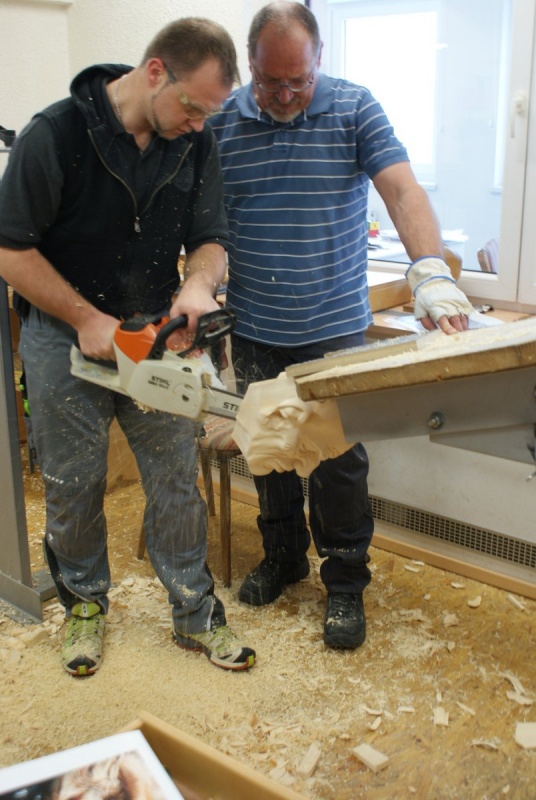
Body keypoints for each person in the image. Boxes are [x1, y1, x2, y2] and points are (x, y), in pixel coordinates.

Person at [210, 1, 473, 650]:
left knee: (337, 462)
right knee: (267, 447)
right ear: (250, 66)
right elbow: (203, 224)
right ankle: (283, 557)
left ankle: (346, 581)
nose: (286, 96)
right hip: (255, 324)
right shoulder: (221, 123)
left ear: (319, 60)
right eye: (271, 82)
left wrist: (429, 269)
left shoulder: (354, 107)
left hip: (332, 328)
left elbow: (402, 191)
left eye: (299, 81)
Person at [0, 18, 256, 675]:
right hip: (63, 334)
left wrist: (197, 285)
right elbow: (11, 251)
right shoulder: (56, 134)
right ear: (154, 73)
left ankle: (195, 611)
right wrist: (85, 317)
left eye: (209, 113)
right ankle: (85, 605)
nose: (199, 124)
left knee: (175, 480)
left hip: (153, 331)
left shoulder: (194, 140)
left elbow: (210, 237)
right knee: (74, 483)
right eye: (192, 107)